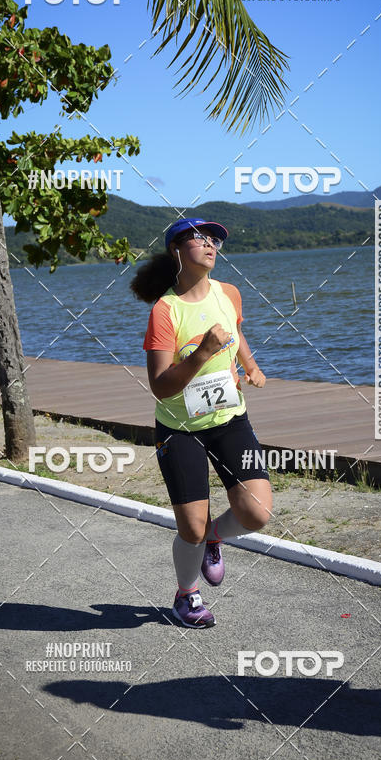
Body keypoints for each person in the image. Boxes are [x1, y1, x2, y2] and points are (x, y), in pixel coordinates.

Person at [131, 218, 272, 628]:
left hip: (230, 419)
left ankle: (215, 536)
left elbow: (235, 334)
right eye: (200, 237)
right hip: (180, 429)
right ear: (176, 249)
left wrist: (250, 365)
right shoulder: (165, 311)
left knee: (257, 512)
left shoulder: (229, 293)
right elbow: (161, 386)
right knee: (190, 529)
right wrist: (203, 353)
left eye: (215, 239)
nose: (210, 244)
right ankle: (186, 596)